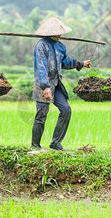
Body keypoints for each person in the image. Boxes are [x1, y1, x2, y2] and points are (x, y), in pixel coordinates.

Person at [32, 17, 91, 151]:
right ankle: (35, 146)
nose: (60, 35)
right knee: (41, 114)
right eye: (57, 32)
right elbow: (41, 67)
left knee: (66, 109)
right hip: (43, 84)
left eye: (60, 32)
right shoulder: (41, 46)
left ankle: (55, 142)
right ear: (50, 32)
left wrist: (81, 63)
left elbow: (66, 62)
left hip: (56, 84)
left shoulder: (60, 46)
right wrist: (45, 87)